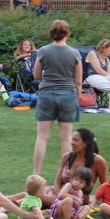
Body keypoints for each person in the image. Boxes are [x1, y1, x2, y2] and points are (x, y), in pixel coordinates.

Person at [31, 19, 82, 175]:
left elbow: (37, 76)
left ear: (51, 33)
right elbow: (78, 81)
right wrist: (76, 98)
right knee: (66, 139)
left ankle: (35, 174)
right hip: (68, 95)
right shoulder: (74, 53)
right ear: (67, 33)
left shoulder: (43, 51)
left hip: (46, 95)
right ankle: (65, 174)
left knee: (42, 137)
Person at [42, 128, 107, 215]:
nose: (72, 142)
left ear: (85, 143)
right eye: (72, 139)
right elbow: (57, 183)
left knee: (35, 197)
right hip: (58, 194)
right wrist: (58, 197)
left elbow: (104, 186)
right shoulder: (67, 157)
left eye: (75, 140)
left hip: (77, 200)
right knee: (32, 193)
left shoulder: (97, 160)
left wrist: (100, 201)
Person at [84, 39, 110, 109]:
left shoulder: (107, 59)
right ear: (103, 48)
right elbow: (98, 69)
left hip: (103, 78)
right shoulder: (92, 53)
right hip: (92, 77)